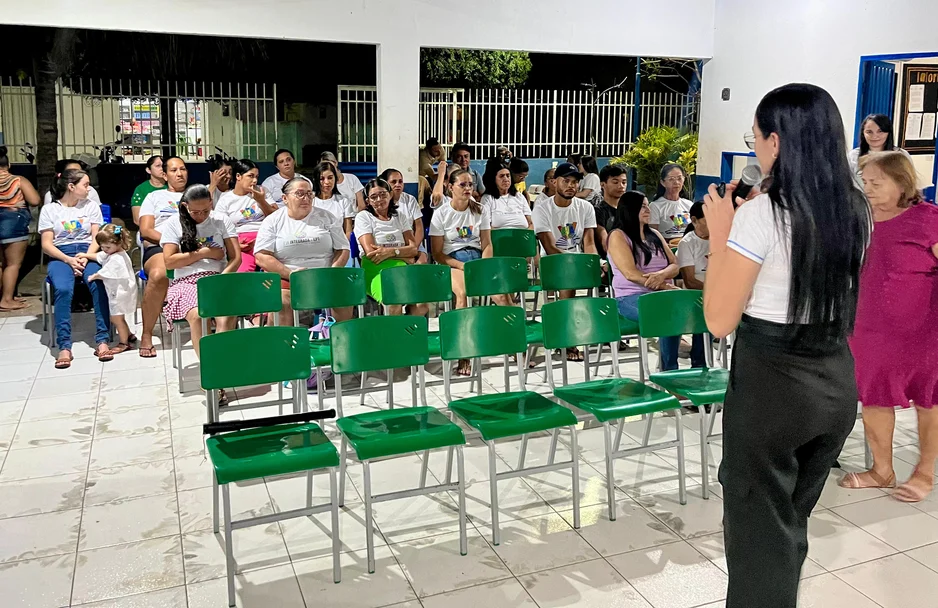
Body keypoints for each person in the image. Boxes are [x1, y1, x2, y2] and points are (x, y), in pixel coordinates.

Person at [701, 83, 872, 608]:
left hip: (773, 387)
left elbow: (718, 320)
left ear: (776, 142)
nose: (753, 150)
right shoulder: (856, 208)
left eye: (754, 139)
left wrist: (720, 236)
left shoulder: (761, 215)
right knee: (788, 523)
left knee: (758, 535)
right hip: (835, 382)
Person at [839, 151, 938, 502]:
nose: (868, 189)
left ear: (902, 182)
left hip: (923, 332)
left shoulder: (928, 220)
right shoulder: (859, 219)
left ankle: (925, 471)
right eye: (864, 182)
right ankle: (882, 469)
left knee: (929, 400)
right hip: (867, 328)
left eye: (876, 183)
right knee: (874, 398)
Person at [160, 185, 240, 372]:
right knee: (198, 315)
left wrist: (221, 278)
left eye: (206, 210)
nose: (201, 215)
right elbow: (170, 261)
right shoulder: (174, 223)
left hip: (218, 278)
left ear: (212, 204)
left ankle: (219, 363)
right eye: (195, 212)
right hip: (186, 281)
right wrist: (203, 252)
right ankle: (210, 370)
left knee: (226, 314)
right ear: (186, 206)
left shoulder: (221, 220)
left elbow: (235, 257)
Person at [39, 169, 112, 368]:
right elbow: (46, 244)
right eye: (85, 185)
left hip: (88, 252)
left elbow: (98, 237)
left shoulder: (91, 207)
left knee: (98, 281)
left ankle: (103, 339)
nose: (89, 189)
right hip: (61, 255)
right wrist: (69, 260)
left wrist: (86, 257)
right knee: (63, 289)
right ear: (71, 187)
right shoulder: (50, 210)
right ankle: (64, 345)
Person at [255, 177, 351, 326]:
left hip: (324, 276)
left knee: (344, 296)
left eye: (309, 194)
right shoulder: (272, 221)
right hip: (288, 277)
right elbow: (261, 257)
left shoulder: (327, 217)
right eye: (300, 194)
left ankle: (340, 344)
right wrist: (290, 274)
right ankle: (285, 346)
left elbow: (343, 249)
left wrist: (332, 272)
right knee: (282, 301)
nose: (306, 198)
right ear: (285, 198)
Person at [606, 191, 685, 370]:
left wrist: (662, 275)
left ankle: (700, 364)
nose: (648, 209)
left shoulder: (655, 235)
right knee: (666, 316)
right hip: (631, 297)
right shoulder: (618, 236)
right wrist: (664, 285)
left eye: (647, 205)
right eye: (642, 206)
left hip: (663, 294)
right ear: (629, 209)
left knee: (696, 308)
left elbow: (675, 265)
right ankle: (669, 373)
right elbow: (630, 273)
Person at [429, 164, 493, 375]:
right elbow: (437, 253)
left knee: (503, 295)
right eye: (462, 184)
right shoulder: (441, 214)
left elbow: (486, 244)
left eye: (470, 184)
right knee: (463, 295)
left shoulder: (479, 209)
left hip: (477, 258)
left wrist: (484, 265)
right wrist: (462, 266)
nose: (467, 188)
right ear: (450, 187)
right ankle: (464, 353)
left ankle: (512, 346)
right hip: (453, 260)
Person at [532, 161, 597, 361]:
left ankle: (598, 329)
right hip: (550, 261)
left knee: (603, 276)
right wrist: (576, 263)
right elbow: (550, 247)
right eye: (566, 181)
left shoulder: (585, 207)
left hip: (576, 259)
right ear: (555, 182)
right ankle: (568, 338)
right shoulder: (542, 209)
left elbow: (589, 243)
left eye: (575, 182)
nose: (571, 186)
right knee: (568, 281)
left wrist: (594, 263)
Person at [137, 156, 189, 358]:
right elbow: (146, 230)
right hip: (160, 247)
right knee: (159, 275)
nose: (179, 173)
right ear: (165, 175)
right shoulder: (153, 197)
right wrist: (172, 242)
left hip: (192, 247)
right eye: (174, 170)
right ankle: (147, 334)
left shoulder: (195, 194)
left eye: (183, 169)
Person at [354, 178, 425, 315]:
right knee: (393, 300)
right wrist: (403, 254)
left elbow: (413, 249)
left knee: (422, 303)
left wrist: (389, 252)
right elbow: (371, 253)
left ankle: (406, 333)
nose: (379, 199)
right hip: (375, 269)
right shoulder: (363, 217)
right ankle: (393, 335)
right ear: (368, 201)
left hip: (401, 267)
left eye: (383, 194)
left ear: (390, 195)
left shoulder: (400, 216)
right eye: (374, 197)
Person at [77, 224, 136, 354]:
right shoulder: (112, 252)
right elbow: (99, 256)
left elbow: (106, 272)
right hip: (118, 291)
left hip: (119, 293)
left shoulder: (117, 258)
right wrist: (86, 255)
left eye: (107, 247)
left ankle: (124, 343)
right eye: (102, 247)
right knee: (118, 317)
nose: (104, 249)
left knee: (116, 318)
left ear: (119, 243)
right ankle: (129, 334)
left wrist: (94, 276)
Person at [214, 159, 276, 273]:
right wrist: (235, 244)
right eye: (250, 176)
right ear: (238, 176)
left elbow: (276, 217)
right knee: (242, 273)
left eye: (257, 176)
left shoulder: (262, 191)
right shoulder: (225, 199)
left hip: (264, 237)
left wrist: (261, 201)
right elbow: (218, 228)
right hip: (241, 242)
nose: (255, 180)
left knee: (271, 273)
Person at [0, 146, 40, 310]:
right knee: (13, 264)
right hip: (13, 224)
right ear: (8, 165)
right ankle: (7, 299)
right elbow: (35, 200)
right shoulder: (18, 180)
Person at [674, 200, 709, 367]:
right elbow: (689, 281)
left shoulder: (722, 239)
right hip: (695, 294)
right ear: (694, 220)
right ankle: (699, 363)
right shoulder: (687, 243)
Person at [379, 168, 427, 264]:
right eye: (394, 182)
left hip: (411, 242)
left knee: (421, 262)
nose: (398, 184)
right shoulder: (380, 202)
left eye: (400, 181)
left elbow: (419, 228)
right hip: (391, 242)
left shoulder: (410, 200)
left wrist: (413, 249)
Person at [847, 114, 911, 184]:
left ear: (888, 132)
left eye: (880, 131)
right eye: (869, 132)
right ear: (863, 133)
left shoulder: (901, 155)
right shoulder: (853, 156)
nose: (874, 136)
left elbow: (909, 184)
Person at [481, 160, 533, 231]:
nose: (506, 179)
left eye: (508, 176)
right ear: (493, 179)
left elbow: (530, 223)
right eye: (501, 176)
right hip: (499, 239)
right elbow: (486, 227)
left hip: (523, 238)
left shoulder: (519, 196)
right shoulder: (487, 199)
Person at [649, 163, 693, 246]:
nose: (676, 182)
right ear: (663, 182)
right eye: (671, 179)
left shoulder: (689, 205)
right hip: (666, 247)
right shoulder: (655, 206)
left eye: (679, 178)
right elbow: (653, 236)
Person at [310, 161, 355, 238]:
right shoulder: (310, 201)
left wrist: (344, 247)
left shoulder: (343, 201)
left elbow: (348, 231)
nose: (327, 182)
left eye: (330, 178)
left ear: (335, 178)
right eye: (322, 179)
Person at [593, 164, 629, 263]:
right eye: (615, 182)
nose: (621, 186)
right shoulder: (598, 210)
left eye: (624, 182)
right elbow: (605, 243)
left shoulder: (629, 209)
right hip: (610, 261)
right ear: (602, 184)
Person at [130, 155, 166, 225]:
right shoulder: (141, 189)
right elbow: (137, 219)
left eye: (164, 165)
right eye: (158, 166)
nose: (162, 168)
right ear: (148, 170)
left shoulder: (173, 186)